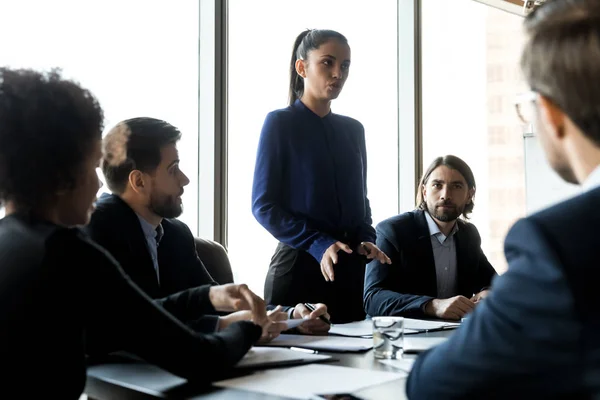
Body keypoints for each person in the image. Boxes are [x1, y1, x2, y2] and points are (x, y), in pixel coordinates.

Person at [0, 68, 270, 398]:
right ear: (62, 175)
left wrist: (206, 297)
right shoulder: (69, 252)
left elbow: (129, 318)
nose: (100, 183)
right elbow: (201, 358)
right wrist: (250, 327)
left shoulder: (12, 241)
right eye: (90, 167)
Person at [407, 0, 600, 398]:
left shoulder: (559, 242)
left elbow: (433, 384)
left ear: (549, 112)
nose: (446, 194)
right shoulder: (396, 230)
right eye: (437, 185)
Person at [87, 117, 330, 337]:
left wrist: (292, 317)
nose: (185, 179)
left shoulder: (176, 233)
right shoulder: (98, 227)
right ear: (138, 181)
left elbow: (217, 300)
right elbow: (131, 324)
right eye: (173, 170)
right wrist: (225, 327)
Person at [251, 29, 391, 324]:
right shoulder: (280, 123)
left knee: (356, 366)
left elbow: (360, 203)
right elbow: (263, 206)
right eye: (327, 63)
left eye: (345, 65)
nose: (338, 73)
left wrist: (366, 238)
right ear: (302, 67)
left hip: (349, 273)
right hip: (297, 271)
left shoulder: (354, 130)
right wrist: (318, 243)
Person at [364, 155, 496, 319]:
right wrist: (432, 305)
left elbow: (492, 282)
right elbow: (372, 298)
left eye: (456, 186)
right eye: (437, 185)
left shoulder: (468, 235)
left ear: (470, 194)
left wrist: (488, 293)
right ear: (425, 192)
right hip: (400, 336)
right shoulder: (392, 230)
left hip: (452, 335)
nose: (445, 195)